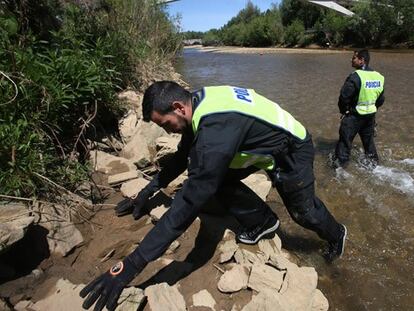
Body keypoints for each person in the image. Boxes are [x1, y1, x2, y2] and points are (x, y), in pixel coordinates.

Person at [80, 81, 347, 311]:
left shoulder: (215, 130)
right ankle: (264, 223)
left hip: (290, 149)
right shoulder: (197, 105)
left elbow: (187, 205)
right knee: (208, 177)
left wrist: (130, 265)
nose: (167, 131)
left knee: (304, 213)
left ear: (177, 108)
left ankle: (337, 234)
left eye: (165, 124)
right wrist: (145, 193)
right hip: (261, 143)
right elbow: (180, 159)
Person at [333, 49, 385, 168]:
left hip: (354, 116)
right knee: (369, 144)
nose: (351, 60)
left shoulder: (355, 77)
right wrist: (372, 108)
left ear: (362, 60)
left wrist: (344, 111)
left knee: (344, 144)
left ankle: (340, 170)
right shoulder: (379, 77)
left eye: (354, 58)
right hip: (370, 117)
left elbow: (344, 97)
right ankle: (375, 167)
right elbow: (381, 99)